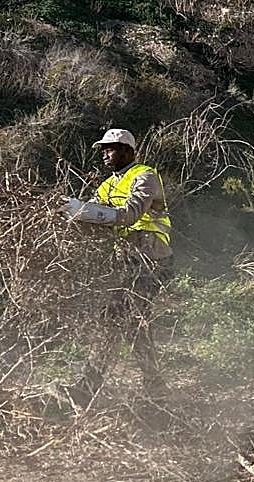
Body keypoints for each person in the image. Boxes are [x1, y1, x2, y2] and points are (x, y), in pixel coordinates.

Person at [64, 128, 173, 405]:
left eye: (110, 148)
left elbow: (129, 215)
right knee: (131, 323)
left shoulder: (145, 176)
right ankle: (155, 386)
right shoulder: (108, 185)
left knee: (116, 317)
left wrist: (82, 210)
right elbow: (96, 219)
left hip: (152, 258)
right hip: (127, 260)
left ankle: (87, 387)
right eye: (103, 148)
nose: (104, 153)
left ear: (127, 150)